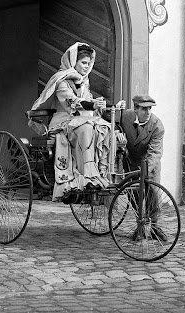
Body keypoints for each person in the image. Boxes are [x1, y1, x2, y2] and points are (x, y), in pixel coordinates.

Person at [28, 42, 110, 202]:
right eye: (83, 63)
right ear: (73, 62)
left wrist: (99, 105)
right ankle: (86, 175)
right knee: (87, 127)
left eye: (89, 63)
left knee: (102, 128)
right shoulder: (61, 81)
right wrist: (91, 104)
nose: (87, 67)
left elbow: (88, 102)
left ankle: (101, 172)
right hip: (62, 122)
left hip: (80, 120)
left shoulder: (84, 82)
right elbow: (72, 103)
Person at [117, 95, 167, 241]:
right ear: (135, 109)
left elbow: (155, 153)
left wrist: (144, 172)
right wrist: (117, 132)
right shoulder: (126, 116)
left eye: (149, 108)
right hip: (132, 162)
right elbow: (110, 119)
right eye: (144, 109)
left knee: (153, 195)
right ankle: (140, 227)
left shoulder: (157, 126)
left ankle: (155, 228)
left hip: (150, 164)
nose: (147, 112)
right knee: (134, 196)